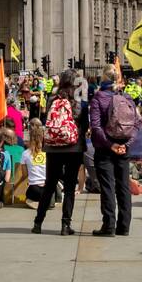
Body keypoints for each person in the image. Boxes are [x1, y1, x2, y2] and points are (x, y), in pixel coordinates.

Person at [89, 66, 142, 236]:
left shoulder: (99, 98)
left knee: (107, 186)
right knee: (123, 186)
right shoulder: (126, 97)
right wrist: (127, 144)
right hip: (124, 147)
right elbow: (137, 124)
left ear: (103, 78)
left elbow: (95, 126)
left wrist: (109, 143)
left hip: (105, 149)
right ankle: (124, 226)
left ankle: (109, 226)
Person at [32, 70, 87, 235]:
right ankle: (65, 225)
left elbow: (46, 120)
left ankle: (38, 222)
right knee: (70, 186)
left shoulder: (52, 99)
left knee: (49, 184)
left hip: (53, 147)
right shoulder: (79, 100)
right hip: (73, 146)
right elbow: (85, 123)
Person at [22, 120, 49, 205]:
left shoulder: (25, 153)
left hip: (34, 189)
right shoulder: (49, 152)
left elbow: (25, 175)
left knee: (28, 194)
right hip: (48, 188)